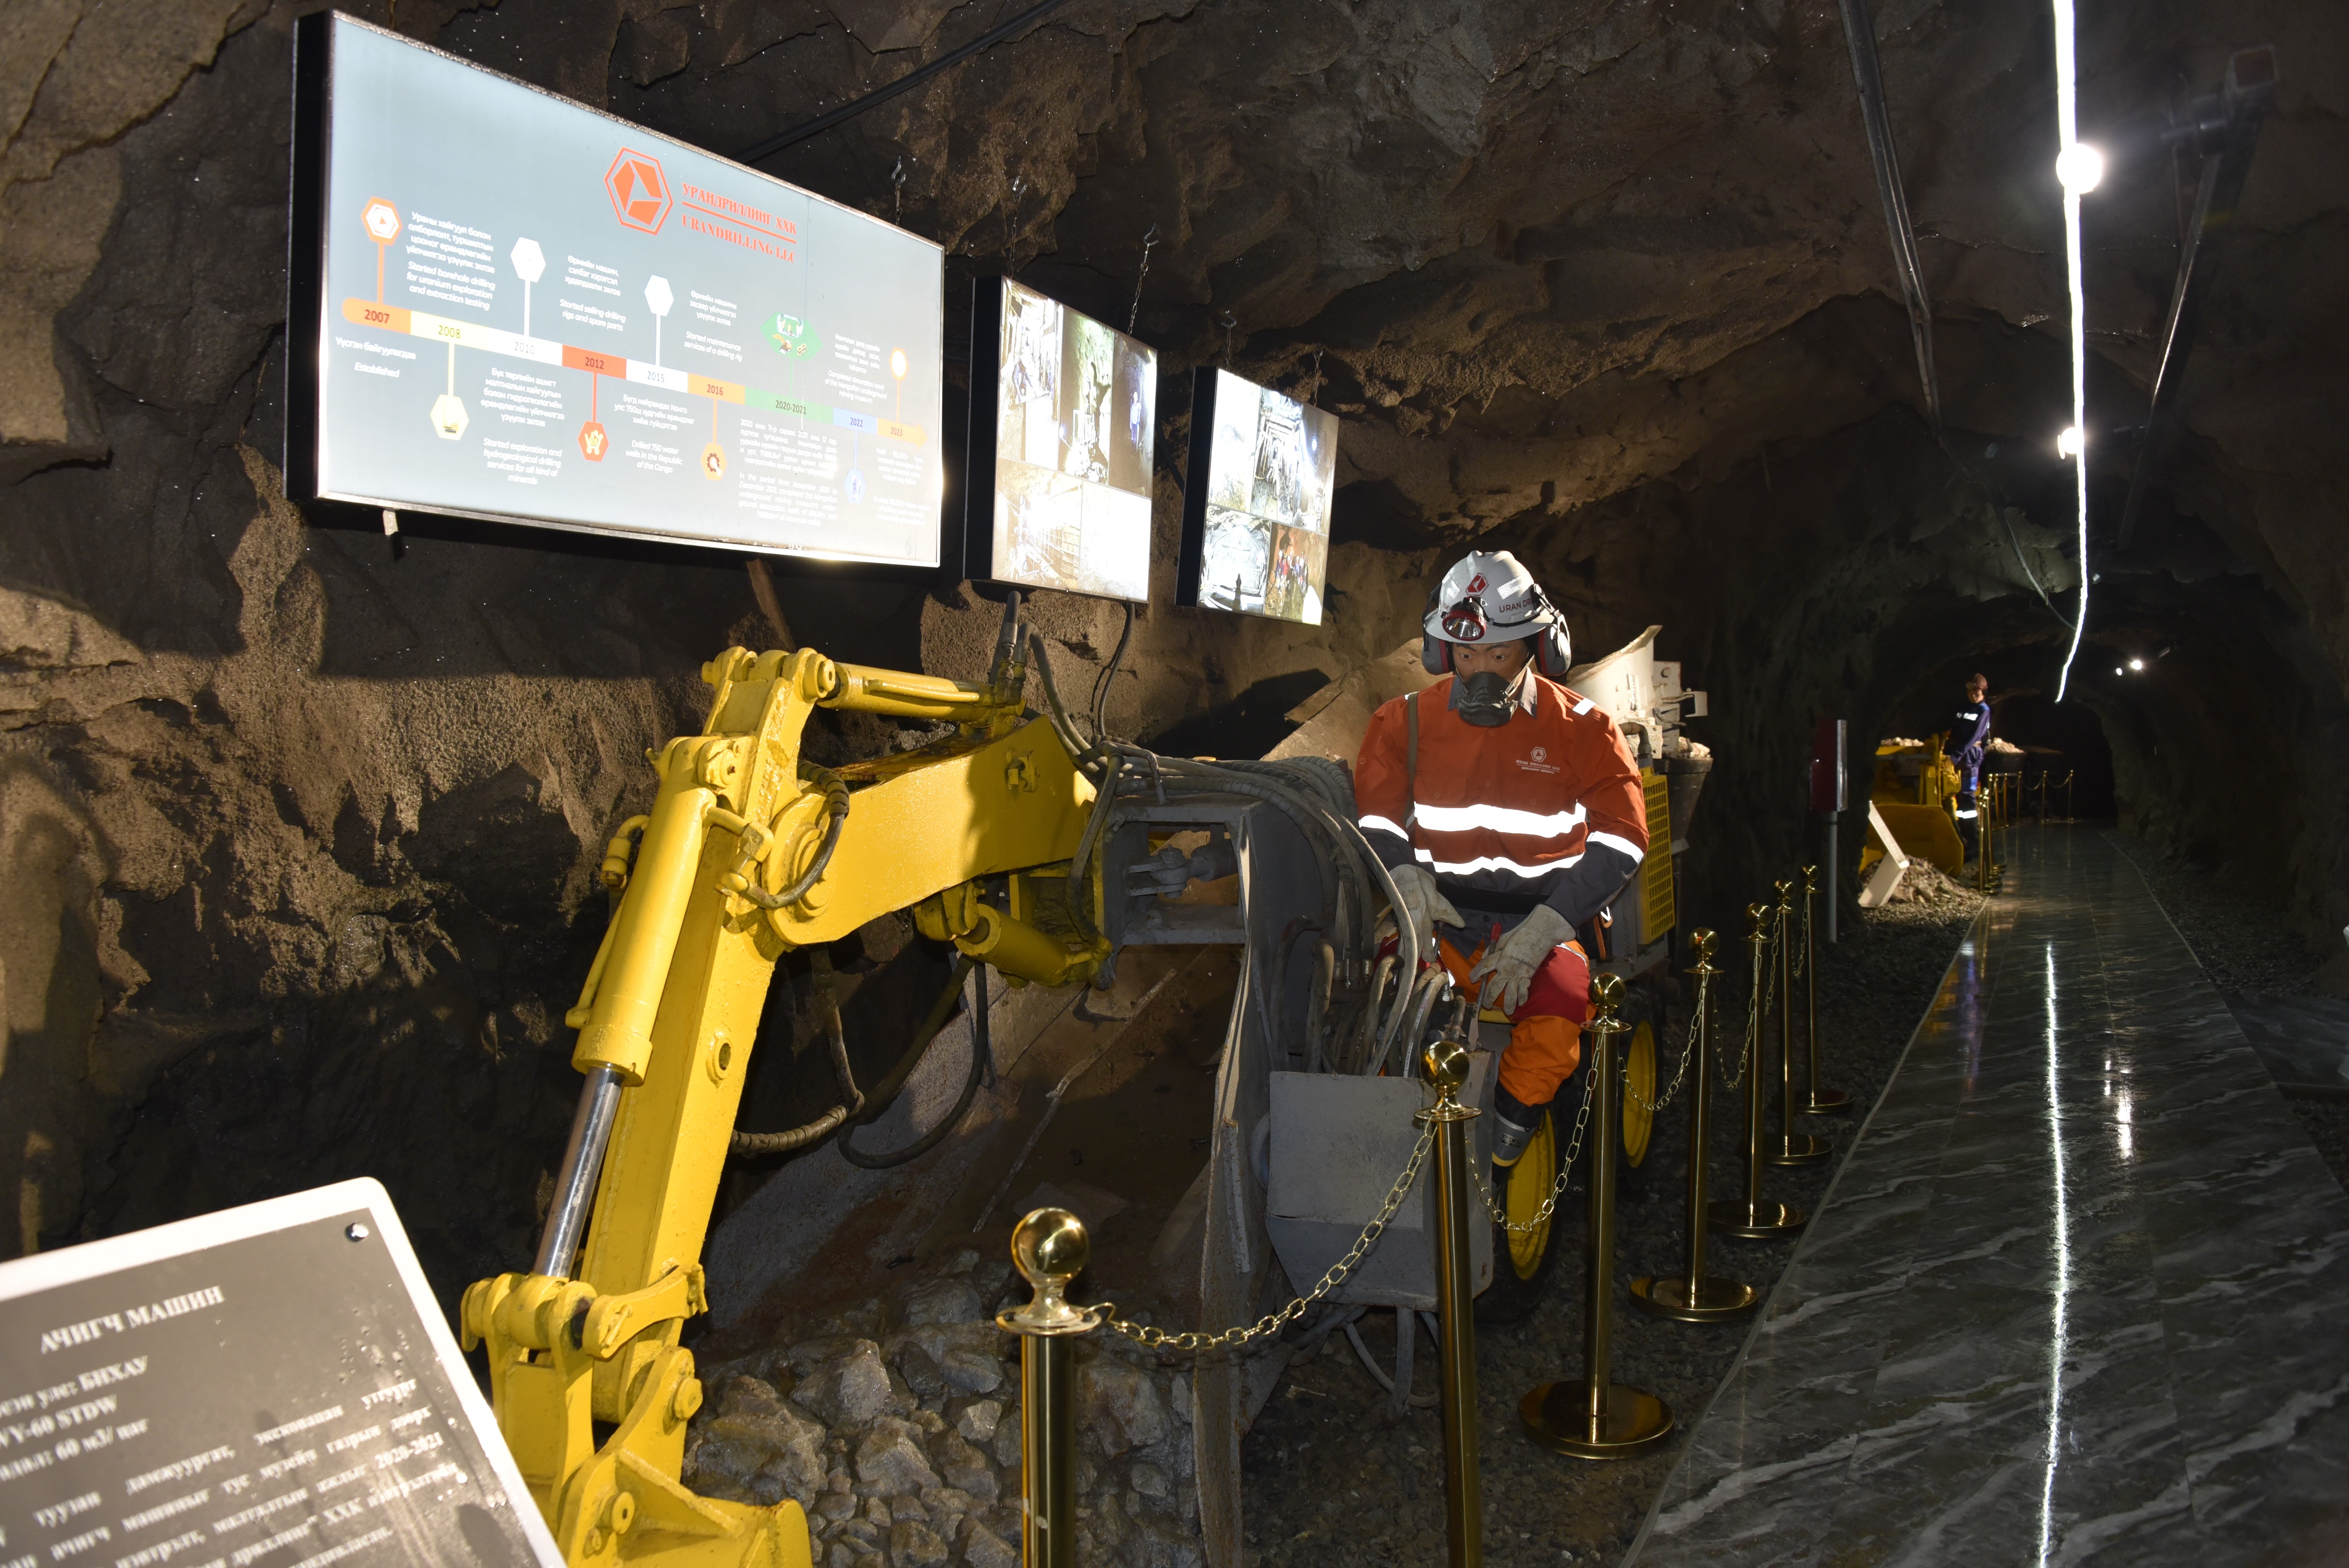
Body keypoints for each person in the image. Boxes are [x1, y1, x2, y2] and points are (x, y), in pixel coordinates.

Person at [1353, 550, 1650, 1168]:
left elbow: (1623, 836)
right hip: (1442, 918)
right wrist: (1406, 878)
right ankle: (1391, 1137)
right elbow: (1379, 816)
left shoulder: (1586, 730)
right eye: (1466, 655)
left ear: (1537, 648)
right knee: (1382, 996)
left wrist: (1549, 926)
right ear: (1442, 652)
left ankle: (1509, 1135)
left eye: (1500, 654)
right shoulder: (1402, 724)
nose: (1480, 670)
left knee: (1565, 998)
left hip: (1542, 920)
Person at [1952, 674, 1991, 867]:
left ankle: (1973, 846)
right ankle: (1961, 841)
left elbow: (1973, 737)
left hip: (1969, 760)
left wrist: (1955, 755)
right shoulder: (1964, 708)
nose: (1973, 695)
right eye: (1971, 692)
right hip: (1960, 758)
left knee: (1967, 799)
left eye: (1977, 692)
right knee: (1957, 798)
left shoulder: (1983, 711)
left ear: (1982, 692)